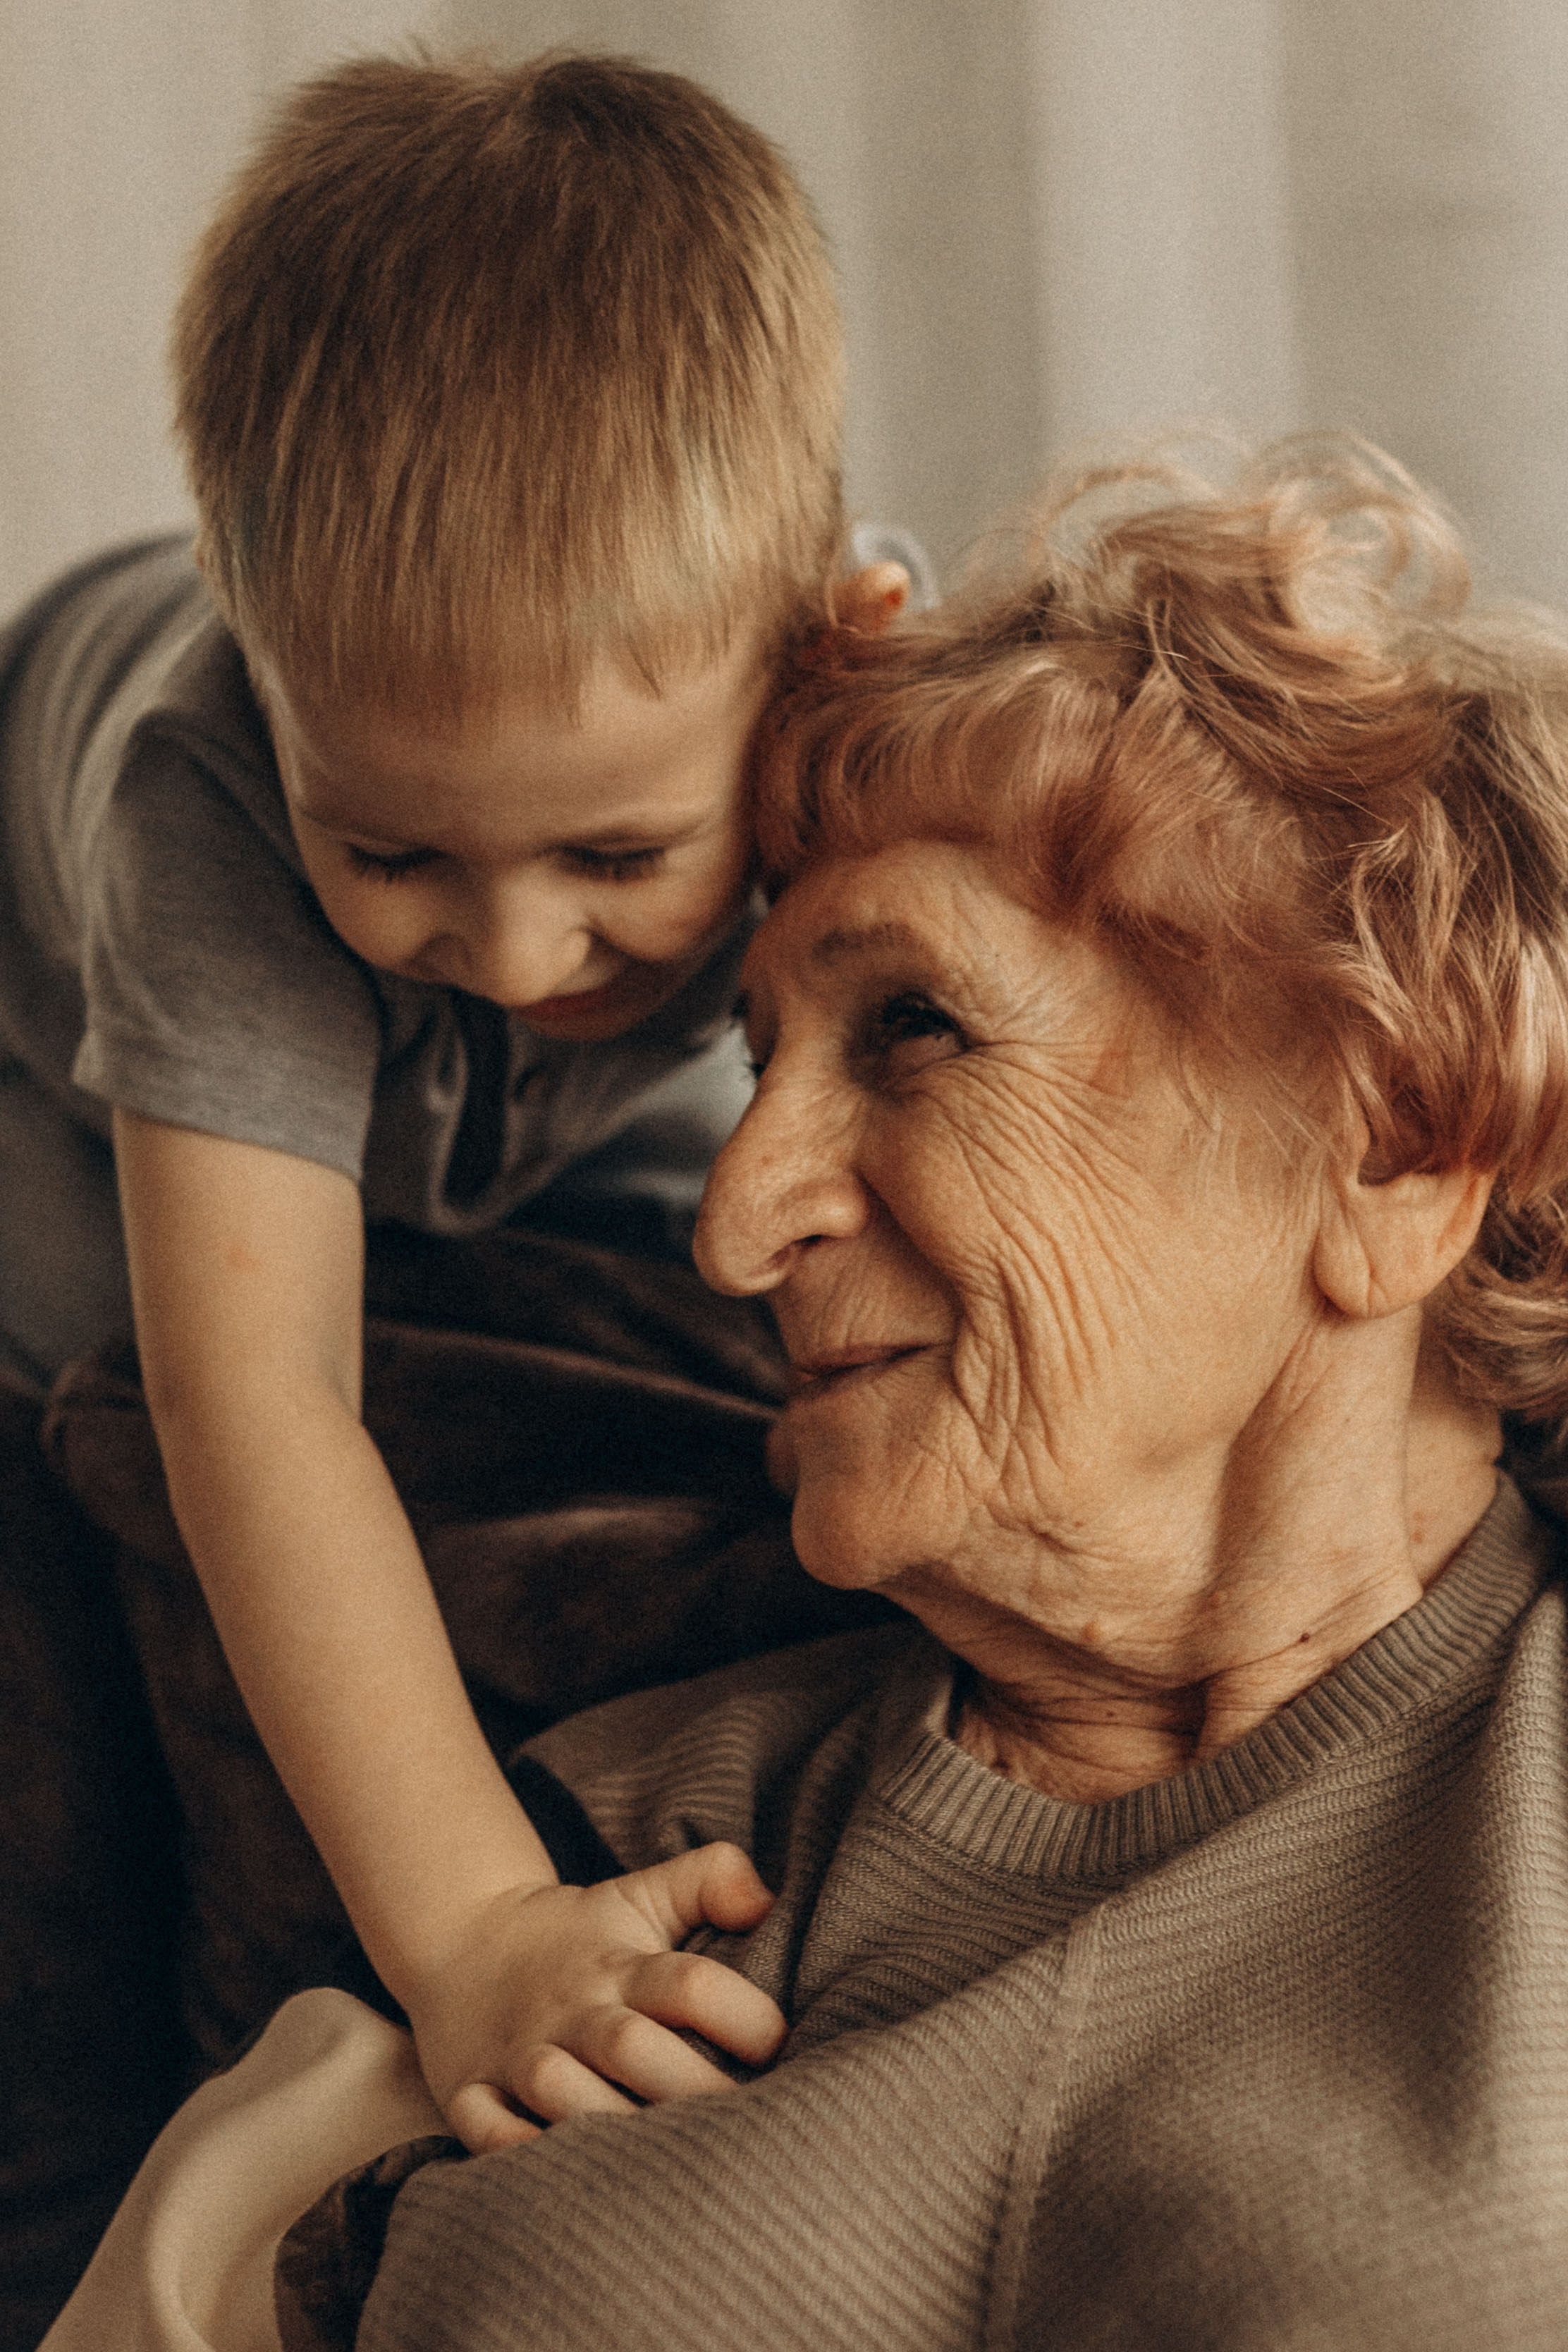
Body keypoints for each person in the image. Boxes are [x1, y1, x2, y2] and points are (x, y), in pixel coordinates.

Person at [47, 432, 1568, 2352]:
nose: (734, 1219)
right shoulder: (580, 1878)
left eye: (915, 1025)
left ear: (1399, 1155)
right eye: (754, 1062)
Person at [0, 51, 918, 2157]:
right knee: (97, 1451)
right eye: (399, 852)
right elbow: (264, 1407)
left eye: (614, 860)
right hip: (49, 1091)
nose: (512, 961)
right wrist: (480, 1927)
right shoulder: (209, 812)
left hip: (530, 1160)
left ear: (828, 666)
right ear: (266, 678)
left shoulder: (874, 713)